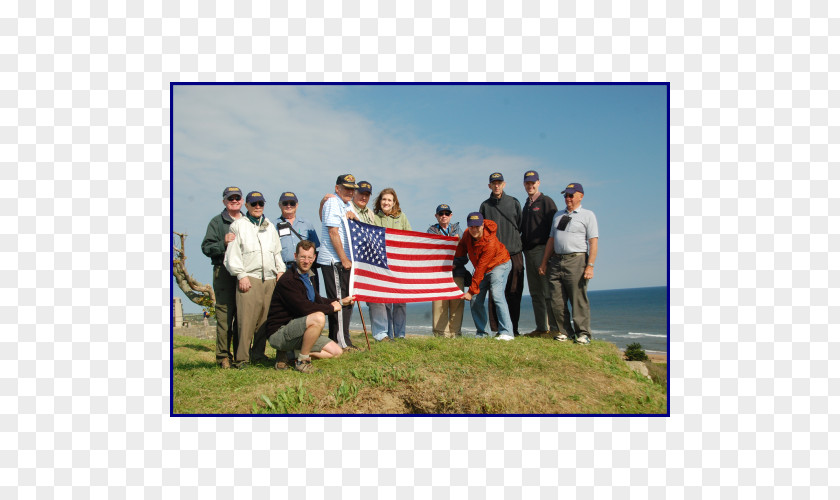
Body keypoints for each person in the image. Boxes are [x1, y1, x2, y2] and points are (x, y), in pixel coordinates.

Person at [265, 241, 352, 373]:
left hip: (298, 332)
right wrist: (331, 308)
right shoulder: (288, 280)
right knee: (319, 317)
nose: (306, 261)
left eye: (310, 257)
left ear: (314, 258)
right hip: (280, 333)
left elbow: (317, 300)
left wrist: (339, 301)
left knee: (336, 351)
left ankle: (290, 355)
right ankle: (302, 361)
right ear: (295, 256)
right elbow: (304, 308)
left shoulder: (308, 276)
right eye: (303, 257)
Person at [224, 190, 284, 367]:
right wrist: (241, 275)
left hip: (270, 279)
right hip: (250, 277)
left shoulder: (270, 226)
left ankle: (258, 354)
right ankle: (242, 358)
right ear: (247, 206)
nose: (257, 207)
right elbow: (232, 255)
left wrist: (280, 271)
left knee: (264, 320)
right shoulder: (238, 226)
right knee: (245, 321)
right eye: (253, 204)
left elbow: (276, 252)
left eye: (260, 203)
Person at [538, 182, 599, 345]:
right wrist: (544, 262)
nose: (568, 198)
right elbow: (551, 239)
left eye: (571, 195)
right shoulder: (558, 215)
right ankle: (564, 331)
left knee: (578, 298)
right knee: (556, 298)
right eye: (565, 195)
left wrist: (590, 266)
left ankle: (583, 333)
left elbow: (593, 242)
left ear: (581, 196)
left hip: (577, 260)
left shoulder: (588, 215)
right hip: (556, 260)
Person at [201, 186, 244, 369]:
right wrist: (223, 243)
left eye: (237, 198)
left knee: (242, 317)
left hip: (244, 274)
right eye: (230, 198)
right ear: (224, 201)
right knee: (225, 316)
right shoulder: (216, 222)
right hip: (224, 273)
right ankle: (223, 357)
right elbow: (206, 247)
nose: (234, 201)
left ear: (242, 201)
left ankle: (242, 356)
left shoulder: (248, 221)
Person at [316, 174, 361, 350]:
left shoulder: (348, 205)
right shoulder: (332, 202)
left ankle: (342, 338)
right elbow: (333, 232)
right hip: (335, 260)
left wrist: (354, 217)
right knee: (340, 300)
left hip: (346, 261)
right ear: (337, 188)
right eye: (346, 188)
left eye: (352, 189)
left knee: (348, 300)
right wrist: (343, 259)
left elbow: (359, 225)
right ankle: (341, 342)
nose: (350, 192)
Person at [455, 212, 514, 340]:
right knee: (475, 299)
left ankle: (507, 332)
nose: (474, 229)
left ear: (482, 225)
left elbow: (481, 268)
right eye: (471, 227)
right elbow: (461, 248)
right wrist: (455, 262)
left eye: (477, 226)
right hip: (482, 268)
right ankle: (483, 333)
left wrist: (470, 291)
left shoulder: (490, 242)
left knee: (497, 294)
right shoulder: (466, 234)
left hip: (499, 264)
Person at [480, 172, 524, 336]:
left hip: (514, 253)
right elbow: (481, 232)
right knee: (495, 292)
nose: (496, 186)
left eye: (499, 183)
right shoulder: (485, 206)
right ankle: (498, 330)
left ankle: (514, 328)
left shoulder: (514, 202)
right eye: (494, 183)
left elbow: (519, 225)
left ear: (504, 184)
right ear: (489, 186)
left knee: (514, 291)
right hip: (494, 256)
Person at [520, 170, 560, 336]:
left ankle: (555, 329)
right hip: (528, 252)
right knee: (535, 292)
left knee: (548, 291)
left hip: (543, 250)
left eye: (533, 183)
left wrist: (550, 255)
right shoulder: (526, 205)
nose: (530, 186)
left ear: (539, 183)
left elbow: (555, 228)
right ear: (524, 184)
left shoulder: (546, 201)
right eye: (527, 183)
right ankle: (542, 327)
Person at [370, 188, 412, 340]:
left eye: (389, 200)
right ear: (379, 201)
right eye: (384, 199)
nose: (386, 202)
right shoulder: (373, 217)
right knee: (386, 301)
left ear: (394, 202)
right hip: (381, 265)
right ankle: (387, 335)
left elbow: (410, 239)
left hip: (399, 265)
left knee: (400, 302)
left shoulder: (402, 217)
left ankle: (400, 334)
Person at [427, 204, 469, 337]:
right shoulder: (431, 231)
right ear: (436, 216)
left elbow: (465, 255)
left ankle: (455, 334)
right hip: (439, 274)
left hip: (457, 272)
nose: (443, 216)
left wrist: (455, 263)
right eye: (441, 214)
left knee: (457, 304)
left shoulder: (459, 230)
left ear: (451, 216)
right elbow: (430, 253)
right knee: (439, 304)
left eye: (446, 213)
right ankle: (440, 334)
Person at [275, 191, 321, 293]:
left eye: (292, 203)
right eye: (285, 203)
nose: (288, 206)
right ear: (279, 204)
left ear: (297, 205)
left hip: (305, 267)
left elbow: (314, 246)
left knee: (310, 296)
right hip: (285, 268)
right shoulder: (273, 225)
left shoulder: (306, 223)